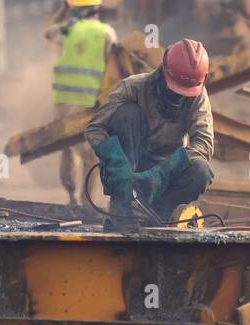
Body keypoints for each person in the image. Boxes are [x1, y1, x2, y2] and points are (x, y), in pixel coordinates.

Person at [85, 38, 215, 228]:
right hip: (131, 167)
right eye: (175, 90)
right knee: (127, 114)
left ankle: (160, 212)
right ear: (164, 70)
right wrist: (116, 161)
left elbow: (204, 142)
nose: (178, 97)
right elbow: (94, 128)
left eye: (185, 93)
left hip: (168, 169)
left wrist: (164, 171)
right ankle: (123, 206)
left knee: (201, 170)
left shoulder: (198, 96)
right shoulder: (133, 87)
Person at [52, 0, 115, 206]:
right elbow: (113, 64)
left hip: (63, 100)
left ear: (76, 9)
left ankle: (71, 198)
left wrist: (64, 8)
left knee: (68, 147)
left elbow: (49, 33)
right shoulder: (106, 32)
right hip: (90, 101)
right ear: (97, 8)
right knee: (92, 152)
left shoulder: (67, 29)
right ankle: (88, 202)